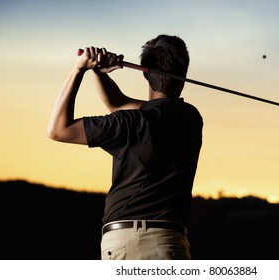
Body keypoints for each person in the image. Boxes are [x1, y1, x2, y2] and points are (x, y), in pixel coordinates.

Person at [47, 35, 203, 260]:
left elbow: (58, 129)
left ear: (144, 72)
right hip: (173, 243)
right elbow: (117, 103)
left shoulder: (131, 122)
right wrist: (99, 73)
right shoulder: (191, 118)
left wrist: (79, 69)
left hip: (132, 243)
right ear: (183, 76)